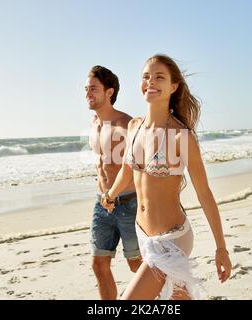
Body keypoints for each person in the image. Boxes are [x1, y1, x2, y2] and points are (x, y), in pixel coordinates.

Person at [101, 54, 232, 300]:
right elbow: (128, 172)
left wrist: (221, 248)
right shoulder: (134, 127)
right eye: (146, 76)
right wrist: (110, 195)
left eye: (159, 77)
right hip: (143, 235)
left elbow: (204, 193)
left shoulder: (181, 136)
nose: (150, 81)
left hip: (172, 239)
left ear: (173, 87)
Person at [85, 65, 143, 300]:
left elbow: (134, 169)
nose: (88, 93)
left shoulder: (125, 125)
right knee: (99, 264)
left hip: (128, 204)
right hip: (102, 204)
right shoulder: (94, 123)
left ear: (109, 92)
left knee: (137, 265)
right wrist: (105, 197)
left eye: (93, 89)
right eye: (86, 89)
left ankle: (172, 297)